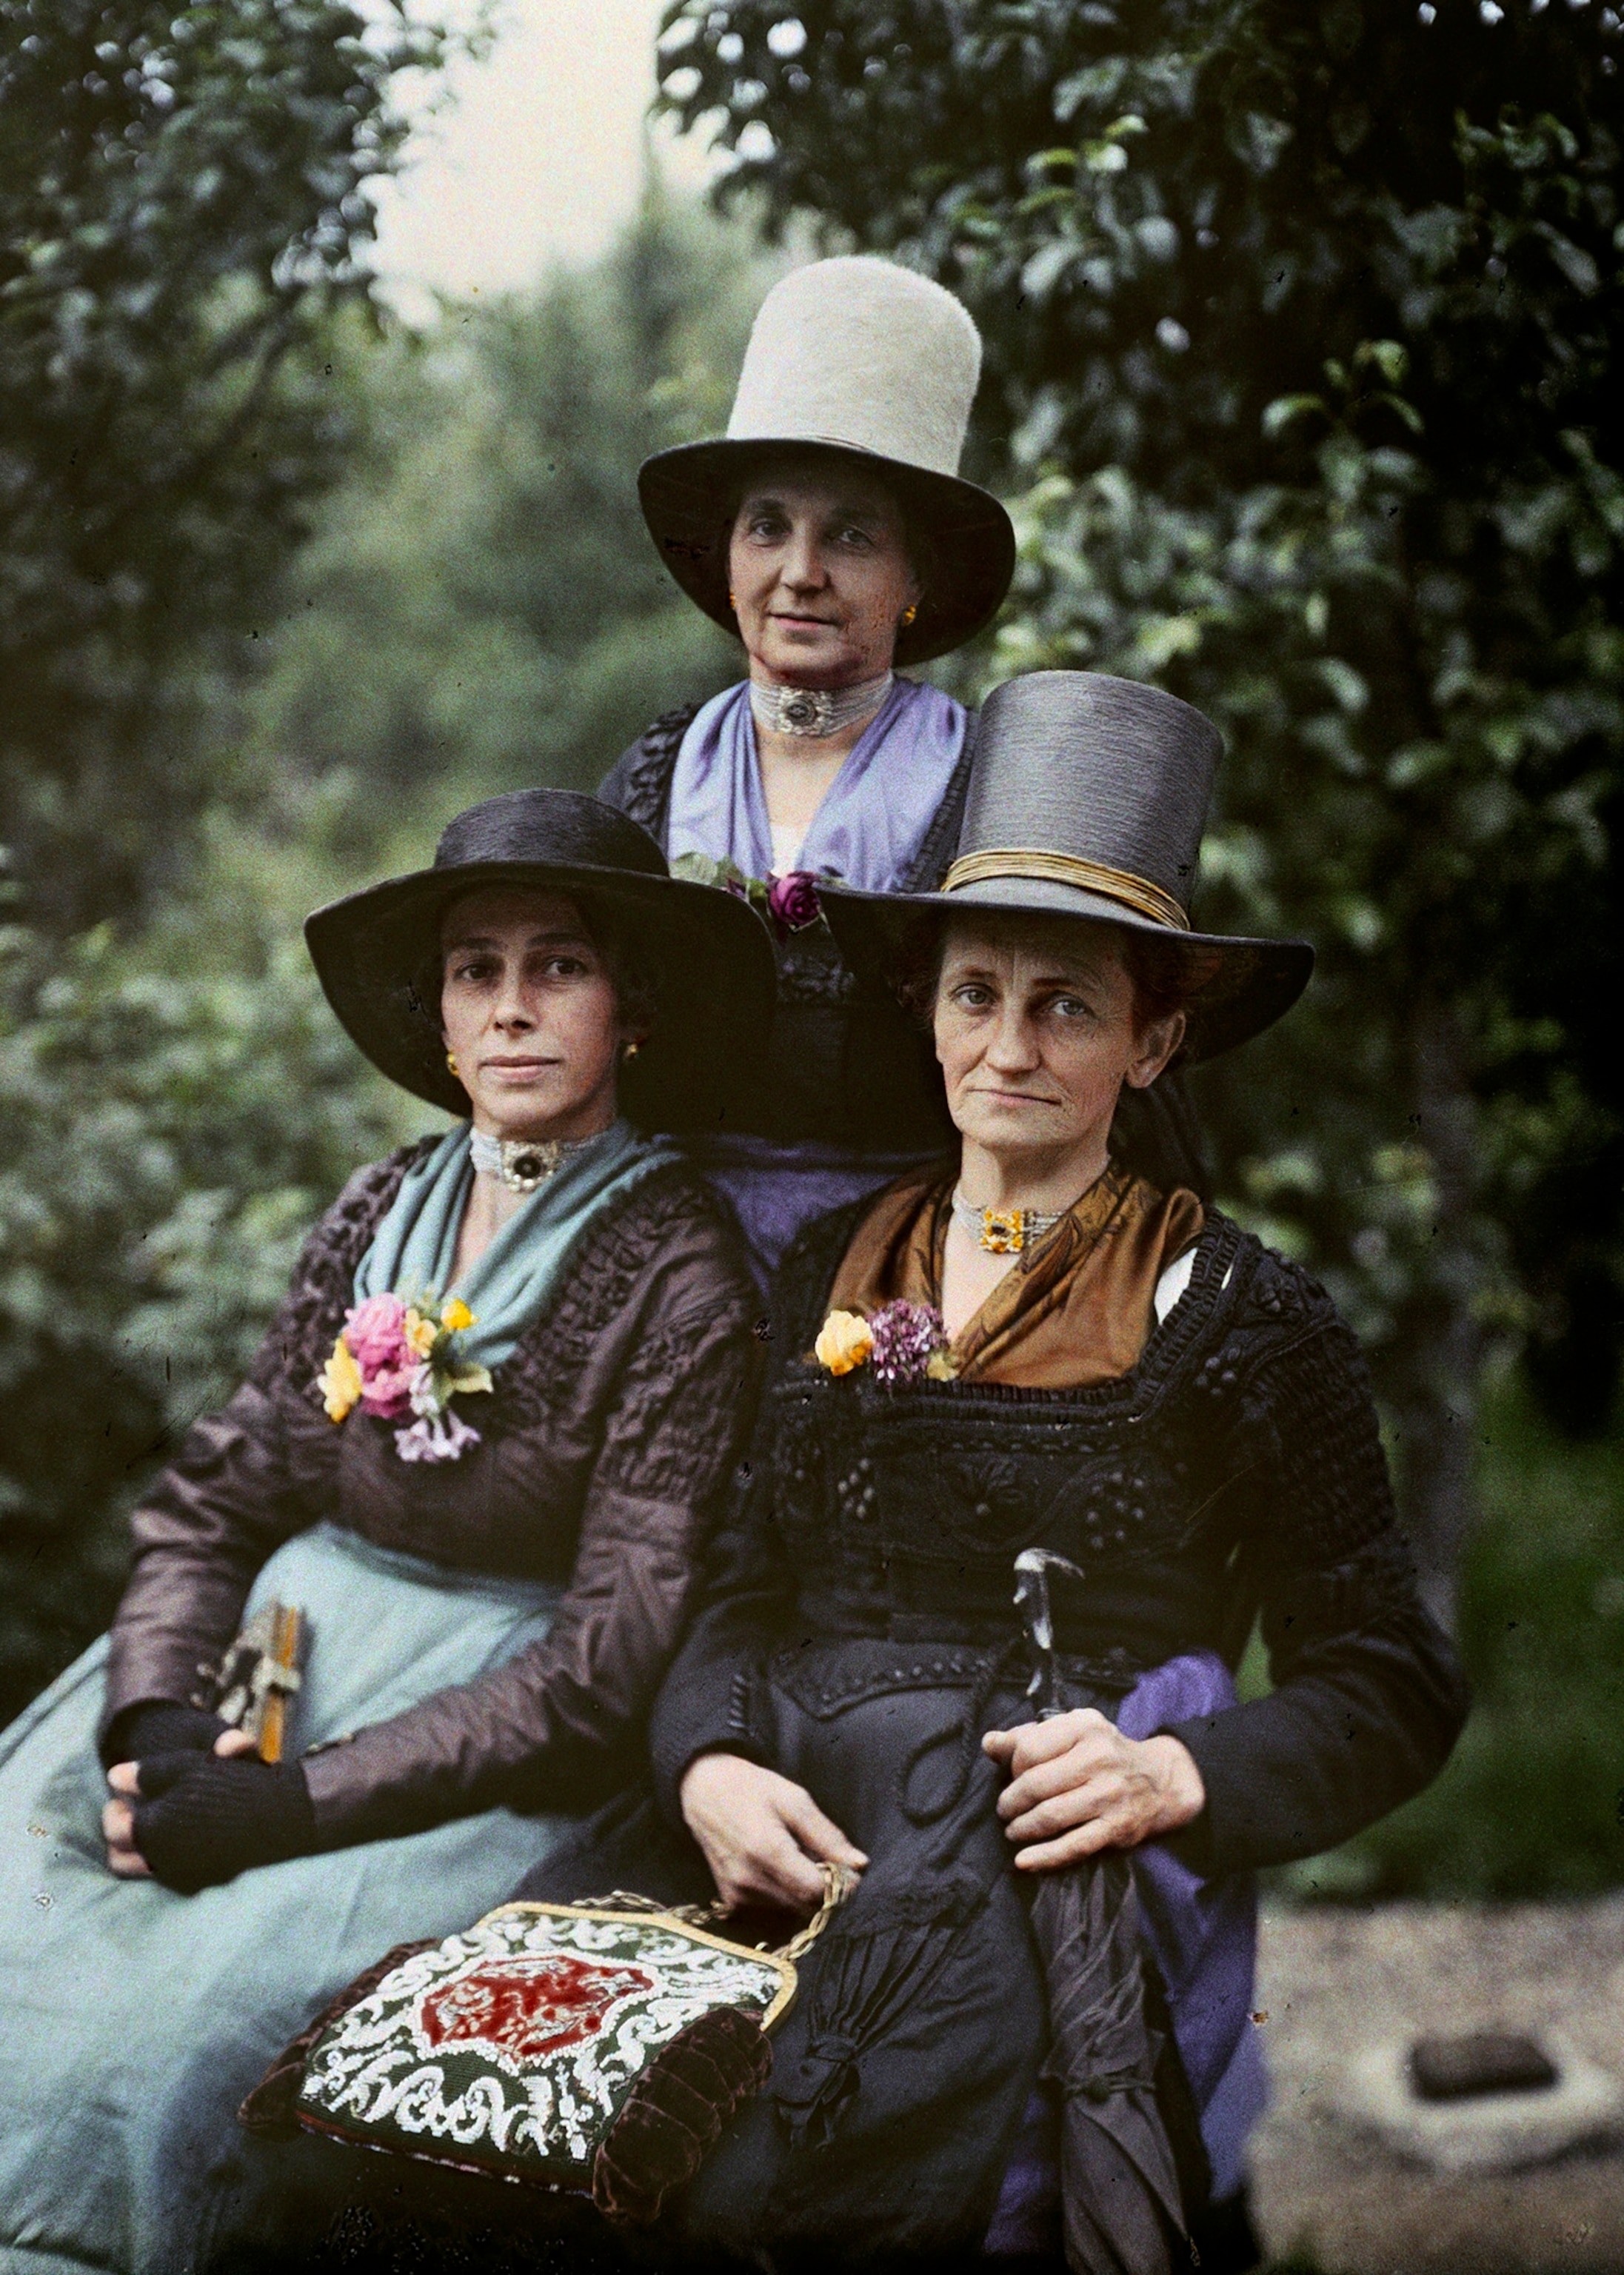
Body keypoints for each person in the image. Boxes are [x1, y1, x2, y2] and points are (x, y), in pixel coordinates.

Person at [526, 673, 1470, 2271]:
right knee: (530, 2134)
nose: (1007, 1048)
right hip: (790, 1821)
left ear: (1155, 1039)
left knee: (834, 2202)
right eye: (975, 994)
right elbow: (741, 1585)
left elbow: (1388, 1679)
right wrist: (705, 1762)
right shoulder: (832, 1263)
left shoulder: (1240, 1317)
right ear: (926, 1010)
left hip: (1039, 1857)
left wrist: (1175, 1776)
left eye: (1067, 1007)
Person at [0, 789, 772, 2275]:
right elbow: (223, 1490)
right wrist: (158, 1723)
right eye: (476, 970)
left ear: (632, 1010)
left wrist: (286, 1811)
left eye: (559, 966)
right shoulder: (376, 1215)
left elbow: (603, 1665)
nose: (512, 1008)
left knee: (186, 2036)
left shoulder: (682, 1275)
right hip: (261, 1680)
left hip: (471, 1759)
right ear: (438, 1018)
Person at [600, 253, 1021, 1285]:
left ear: (916, 574)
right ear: (726, 558)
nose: (801, 573)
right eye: (768, 528)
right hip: (664, 1270)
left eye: (852, 535)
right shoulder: (656, 775)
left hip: (912, 1274)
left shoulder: (985, 786)